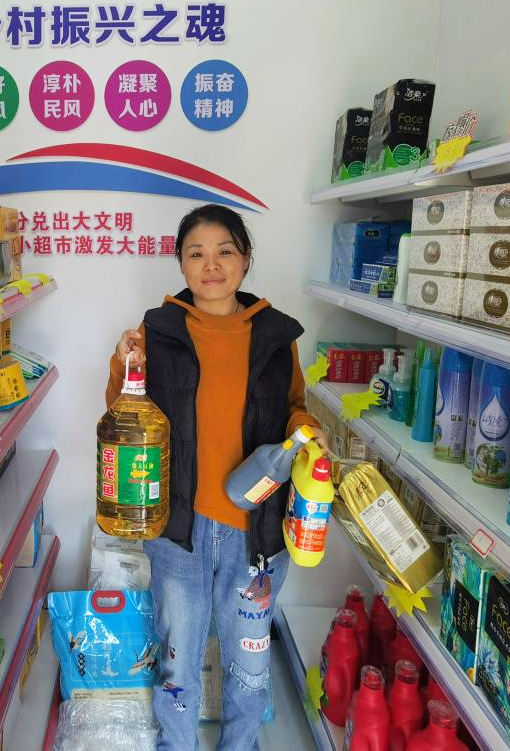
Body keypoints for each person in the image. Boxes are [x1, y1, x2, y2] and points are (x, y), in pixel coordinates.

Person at [105, 204, 327, 750]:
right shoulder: (157, 331)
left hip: (257, 529)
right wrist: (122, 363)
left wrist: (308, 431)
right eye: (196, 253)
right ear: (181, 264)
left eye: (225, 251)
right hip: (180, 527)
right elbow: (123, 413)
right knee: (177, 657)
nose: (211, 265)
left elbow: (294, 407)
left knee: (249, 662)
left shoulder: (276, 335)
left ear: (245, 259)